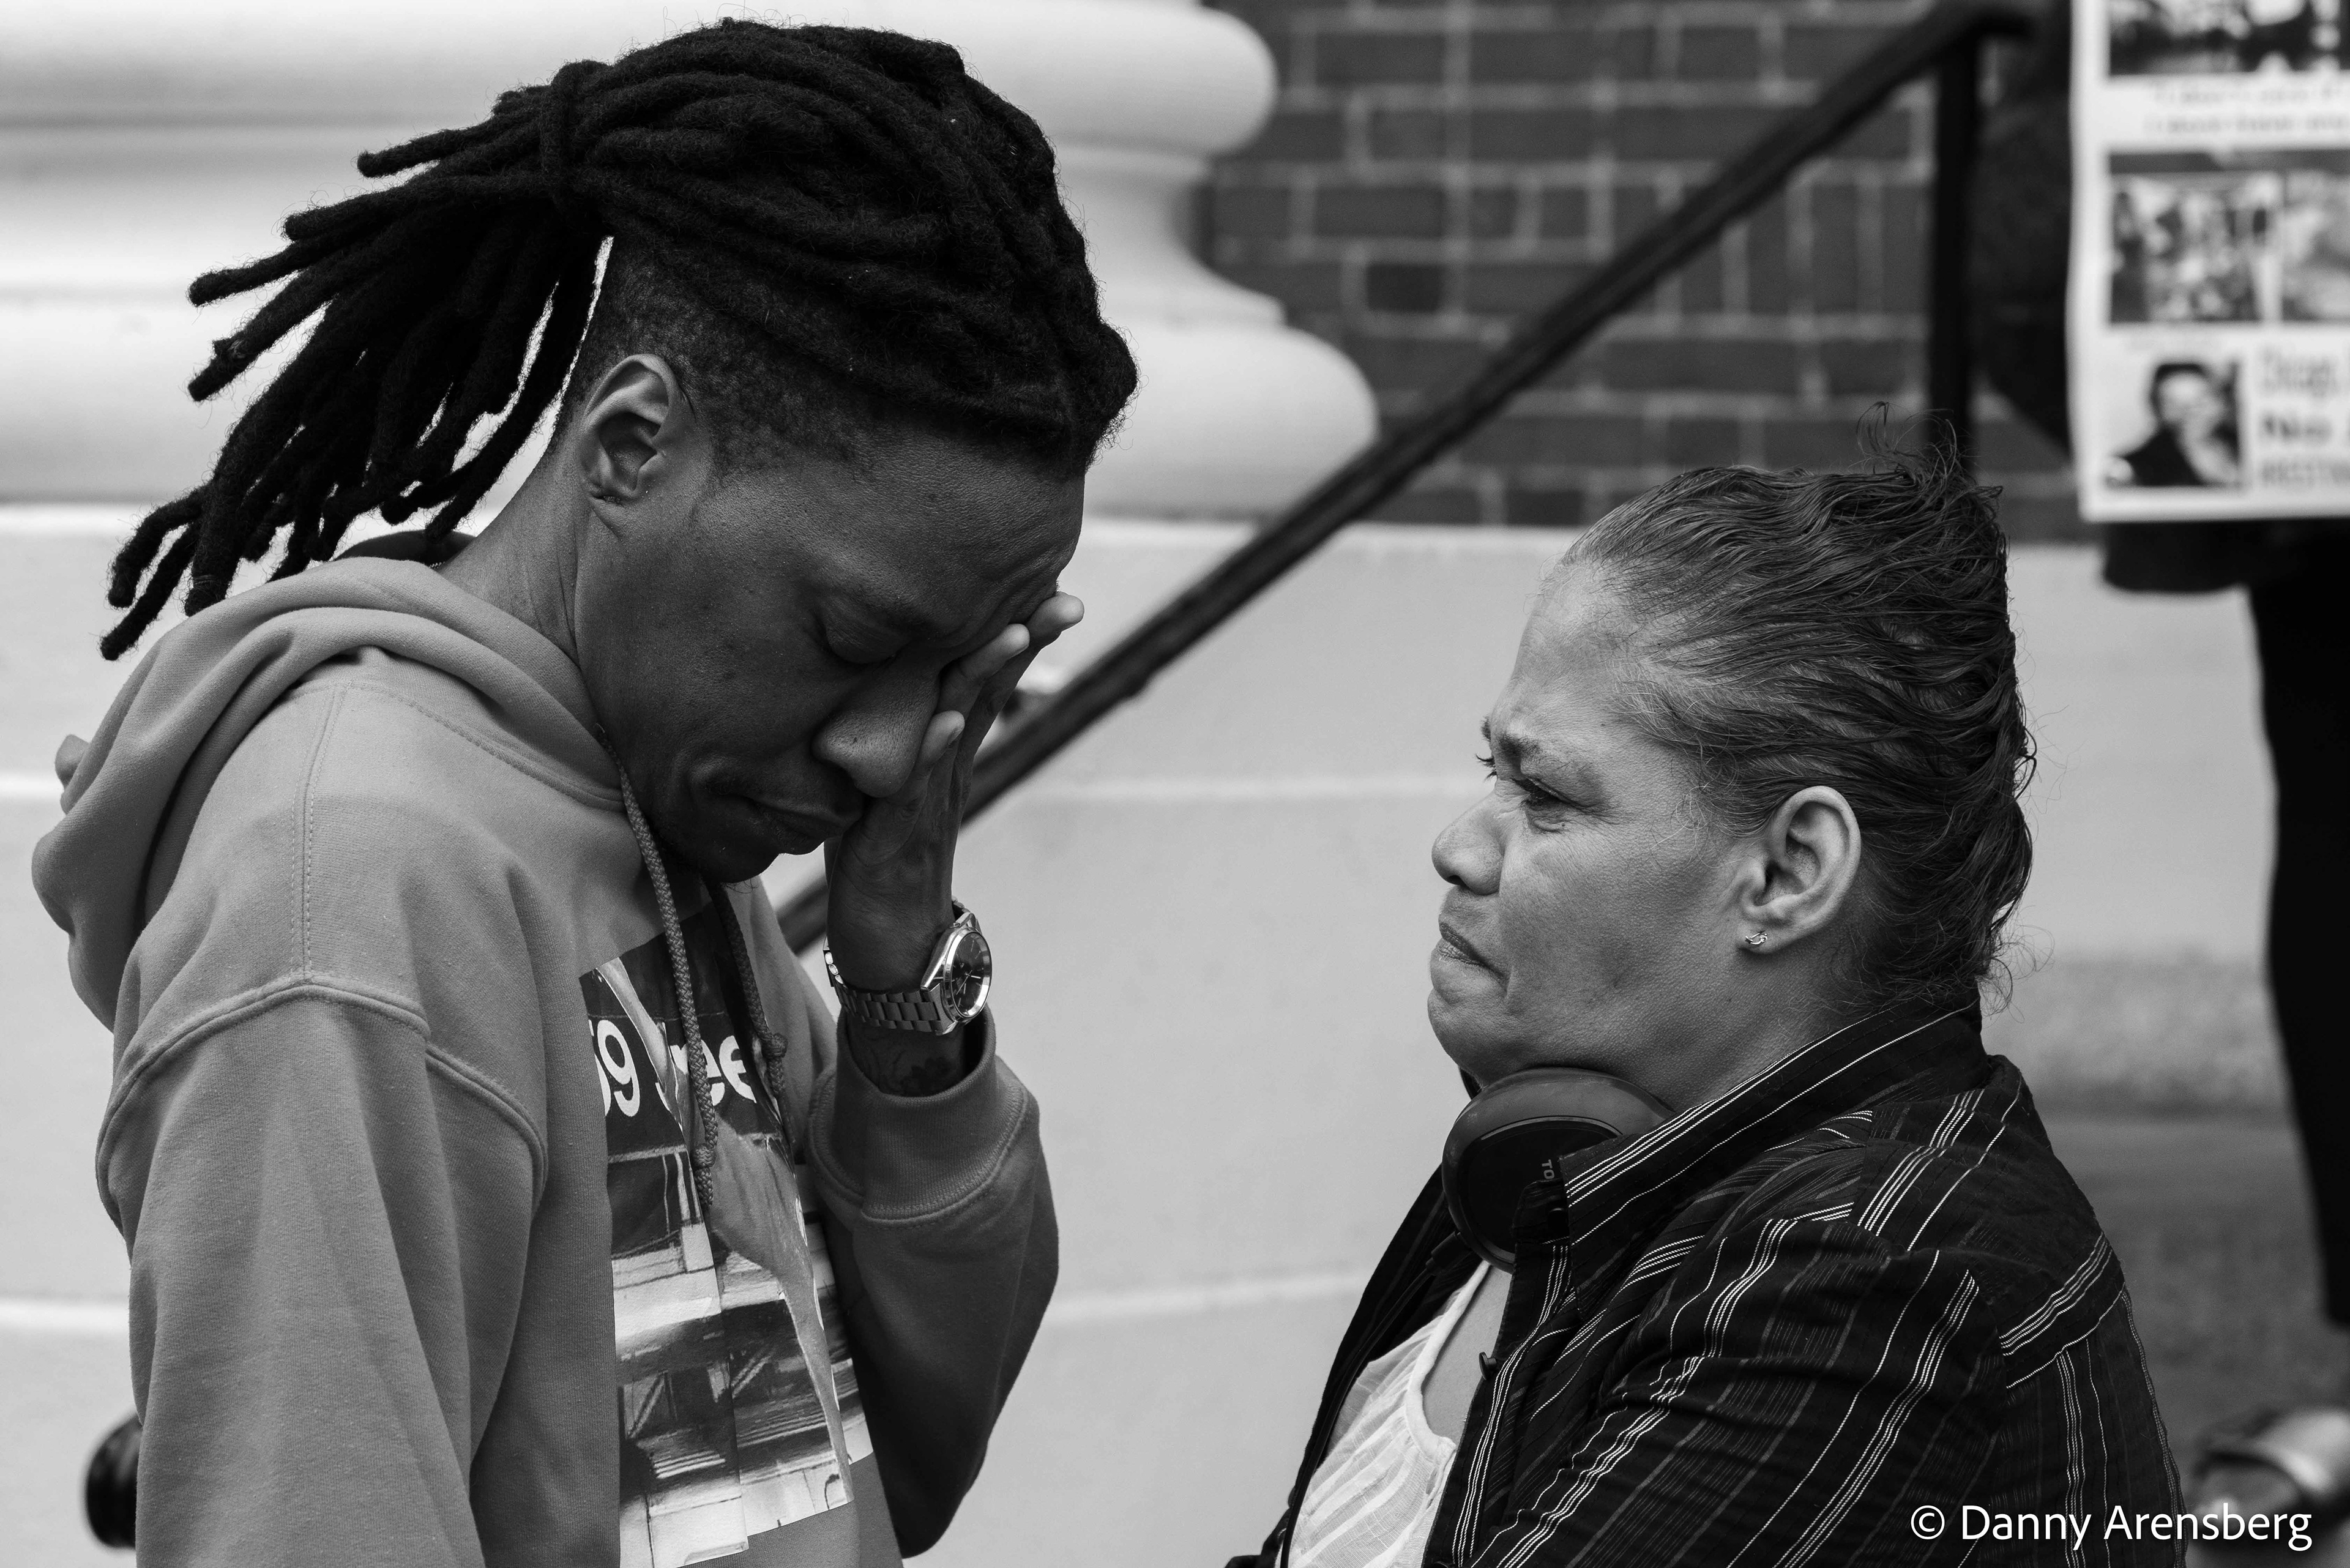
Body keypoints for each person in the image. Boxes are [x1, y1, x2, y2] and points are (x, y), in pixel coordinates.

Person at [32, 21, 1134, 1568]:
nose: (894, 754)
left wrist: (904, 993)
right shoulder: (352, 899)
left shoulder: (655, 811)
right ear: (630, 444)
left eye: (954, 669)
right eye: (851, 639)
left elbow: (864, 1478)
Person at [1232, 454, 2188, 1568]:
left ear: (1787, 874)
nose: (1459, 846)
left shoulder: (1871, 1277)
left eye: (1546, 795)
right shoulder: (1544, 1161)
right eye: (1493, 770)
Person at [2106, 361, 2242, 488]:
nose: (2191, 412)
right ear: (2157, 409)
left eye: (2201, 401)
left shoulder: (2239, 441)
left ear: (2222, 401)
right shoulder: (2136, 466)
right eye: (2174, 404)